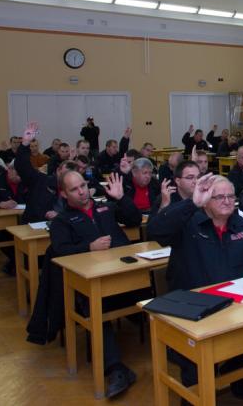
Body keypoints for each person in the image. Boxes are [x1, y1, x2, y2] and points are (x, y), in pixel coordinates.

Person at [146, 174, 243, 399]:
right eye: (219, 197)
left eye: (231, 197)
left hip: (236, 308)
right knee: (195, 368)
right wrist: (191, 203)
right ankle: (194, 397)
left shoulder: (241, 225)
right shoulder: (187, 223)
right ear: (206, 201)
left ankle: (233, 374)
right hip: (195, 311)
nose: (227, 201)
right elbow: (155, 230)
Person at [51, 170, 142, 398]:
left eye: (83, 185)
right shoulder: (61, 221)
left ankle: (170, 345)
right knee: (96, 310)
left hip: (126, 273)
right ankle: (115, 369)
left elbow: (134, 220)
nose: (82, 192)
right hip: (92, 282)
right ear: (64, 194)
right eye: (74, 189)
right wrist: (89, 248)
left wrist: (121, 198)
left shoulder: (106, 208)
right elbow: (60, 252)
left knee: (159, 286)